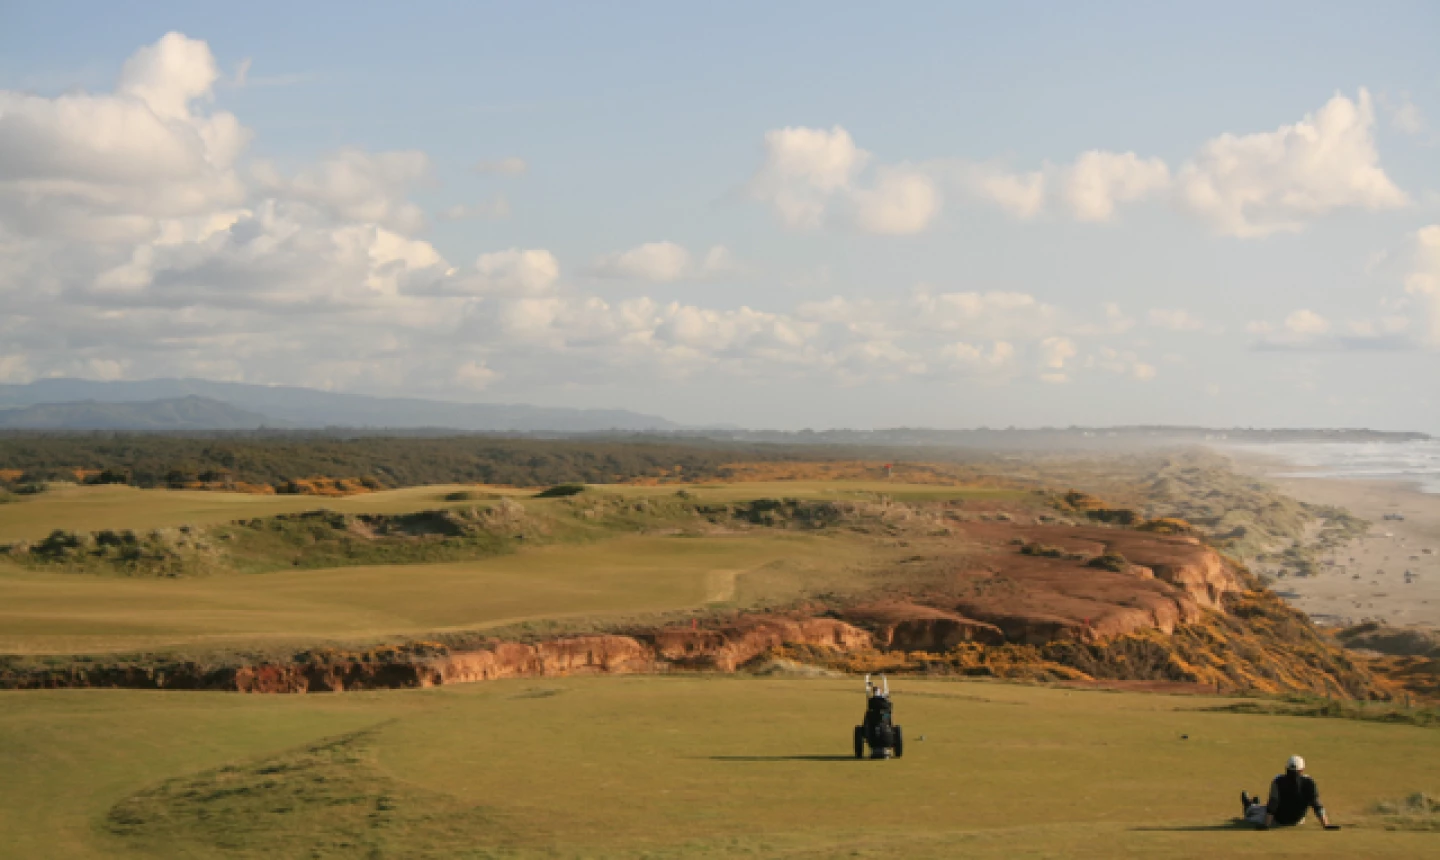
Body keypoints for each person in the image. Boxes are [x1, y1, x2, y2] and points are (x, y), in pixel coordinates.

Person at [1240, 755, 1334, 829]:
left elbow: (1273, 804)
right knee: (1262, 809)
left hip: (1277, 820)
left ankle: (1249, 807)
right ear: (1302, 770)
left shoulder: (1278, 781)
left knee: (1253, 816)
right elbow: (1317, 805)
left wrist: (1266, 825)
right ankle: (1254, 805)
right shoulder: (1309, 783)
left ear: (1286, 769)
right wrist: (1326, 824)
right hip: (1298, 820)